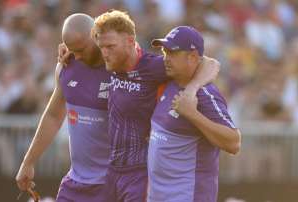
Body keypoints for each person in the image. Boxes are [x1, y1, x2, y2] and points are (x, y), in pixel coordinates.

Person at [91, 10, 220, 202]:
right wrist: (66, 48)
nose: (104, 53)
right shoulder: (111, 61)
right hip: (113, 170)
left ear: (130, 41)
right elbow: (80, 48)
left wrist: (191, 90)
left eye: (110, 46)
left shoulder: (153, 66)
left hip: (140, 173)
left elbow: (210, 63)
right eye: (101, 47)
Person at [15, 13, 111, 202]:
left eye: (81, 49)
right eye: (73, 50)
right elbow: (52, 116)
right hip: (76, 182)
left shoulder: (122, 67)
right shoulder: (67, 66)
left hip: (112, 185)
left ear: (96, 37)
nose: (77, 56)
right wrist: (28, 162)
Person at [147, 26, 241, 202]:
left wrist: (192, 114)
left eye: (172, 53)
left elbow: (234, 142)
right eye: (164, 52)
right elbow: (211, 63)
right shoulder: (169, 81)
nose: (165, 58)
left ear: (192, 57)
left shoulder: (206, 94)